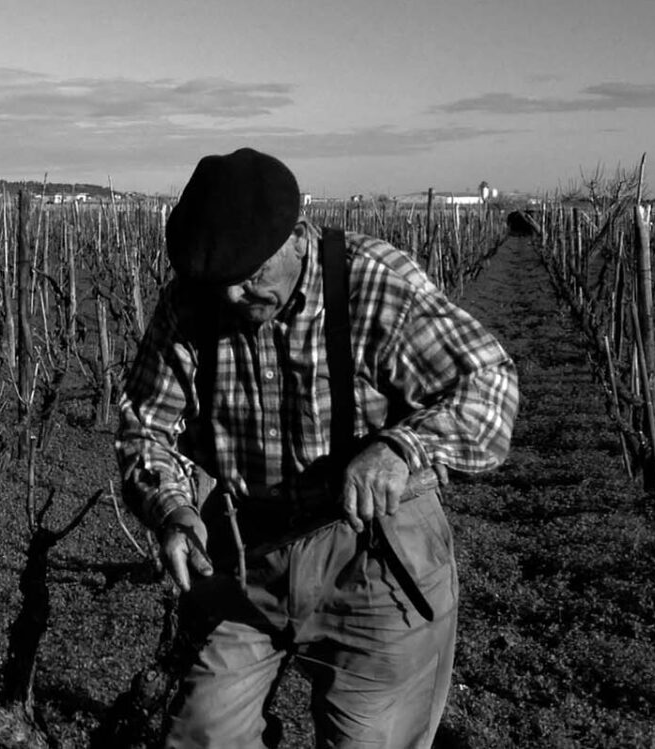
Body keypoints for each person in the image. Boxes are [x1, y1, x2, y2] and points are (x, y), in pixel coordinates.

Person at [116, 148, 519, 748]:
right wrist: (171, 510)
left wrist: (400, 448)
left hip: (375, 558)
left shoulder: (372, 283)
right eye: (220, 282)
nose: (232, 297)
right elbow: (145, 426)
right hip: (246, 556)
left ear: (295, 236)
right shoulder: (190, 304)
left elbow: (490, 389)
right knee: (201, 735)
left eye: (250, 276)